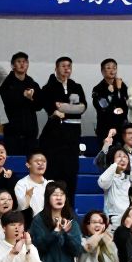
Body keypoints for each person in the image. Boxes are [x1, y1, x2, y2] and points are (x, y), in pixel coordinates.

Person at [39, 56, 87, 200]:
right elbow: (50, 107)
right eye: (63, 66)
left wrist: (63, 107)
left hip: (72, 138)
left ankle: (69, 210)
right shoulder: (48, 87)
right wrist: (70, 108)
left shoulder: (76, 86)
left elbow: (83, 107)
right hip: (54, 139)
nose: (67, 69)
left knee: (70, 176)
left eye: (69, 66)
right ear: (56, 68)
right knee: (53, 176)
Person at [0, 50, 43, 155]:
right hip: (12, 132)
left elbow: (40, 105)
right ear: (13, 65)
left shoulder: (32, 83)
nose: (22, 64)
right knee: (13, 163)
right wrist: (22, 96)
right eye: (19, 61)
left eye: (25, 61)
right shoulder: (7, 83)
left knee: (30, 164)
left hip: (30, 132)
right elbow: (7, 102)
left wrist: (32, 99)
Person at [98, 146, 132, 226]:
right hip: (113, 218)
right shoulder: (109, 177)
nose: (122, 159)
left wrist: (131, 159)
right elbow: (103, 182)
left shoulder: (129, 178)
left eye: (125, 157)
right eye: (119, 156)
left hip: (128, 217)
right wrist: (115, 165)